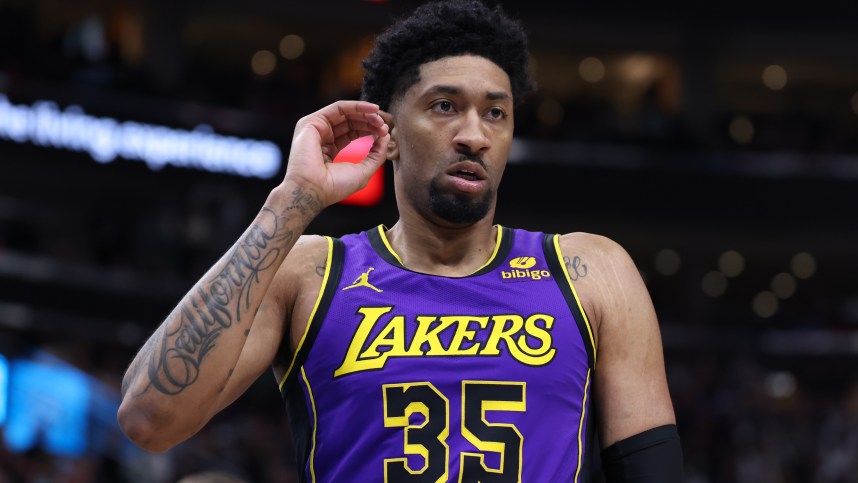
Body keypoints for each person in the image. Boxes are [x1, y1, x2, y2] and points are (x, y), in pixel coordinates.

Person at [118, 0, 683, 481]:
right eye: (445, 106)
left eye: (496, 113)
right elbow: (149, 418)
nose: (474, 135)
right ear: (386, 130)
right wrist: (293, 200)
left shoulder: (592, 270)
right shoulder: (311, 272)